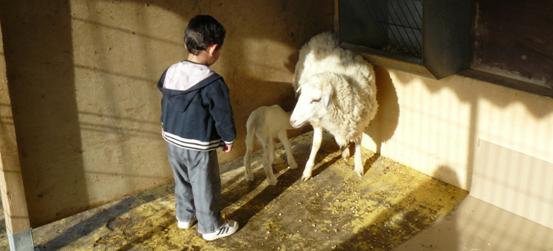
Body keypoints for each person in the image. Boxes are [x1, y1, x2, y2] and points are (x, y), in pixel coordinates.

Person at [157, 15, 238, 241]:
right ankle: (211, 227)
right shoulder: (212, 82)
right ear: (213, 49)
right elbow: (222, 115)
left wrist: (164, 126)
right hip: (198, 145)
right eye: (219, 51)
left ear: (186, 44)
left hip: (172, 140)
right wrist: (228, 138)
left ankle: (184, 217)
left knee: (181, 179)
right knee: (205, 184)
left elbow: (165, 101)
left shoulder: (170, 72)